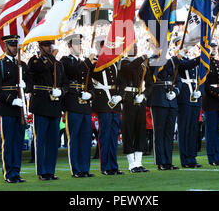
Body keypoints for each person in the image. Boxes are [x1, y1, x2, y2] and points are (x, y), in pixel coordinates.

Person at [0, 34, 30, 183]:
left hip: (20, 110)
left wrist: (25, 86)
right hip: (7, 108)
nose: (15, 48)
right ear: (6, 47)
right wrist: (11, 100)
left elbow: (30, 84)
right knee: (8, 142)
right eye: (12, 45)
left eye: (16, 45)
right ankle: (9, 173)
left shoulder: (22, 65)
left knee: (18, 142)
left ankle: (16, 172)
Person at [28, 39, 68, 181]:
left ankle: (50, 170)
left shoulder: (59, 65)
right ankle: (42, 171)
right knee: (41, 139)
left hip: (54, 105)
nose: (49, 47)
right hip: (41, 104)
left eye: (50, 45)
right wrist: (52, 56)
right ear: (39, 46)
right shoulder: (34, 61)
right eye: (46, 45)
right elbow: (41, 68)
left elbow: (65, 84)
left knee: (53, 140)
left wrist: (61, 92)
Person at [60, 33, 96, 178]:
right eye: (76, 44)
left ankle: (85, 168)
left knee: (86, 138)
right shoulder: (64, 61)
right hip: (73, 103)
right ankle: (76, 169)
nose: (79, 47)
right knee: (74, 138)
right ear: (69, 46)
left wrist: (91, 94)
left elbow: (90, 83)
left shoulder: (83, 63)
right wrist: (88, 62)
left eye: (80, 44)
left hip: (85, 105)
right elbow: (74, 71)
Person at [146, 44, 182, 171]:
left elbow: (178, 80)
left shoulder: (170, 62)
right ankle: (160, 161)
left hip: (171, 101)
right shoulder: (152, 60)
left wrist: (175, 92)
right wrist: (174, 59)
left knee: (169, 133)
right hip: (158, 99)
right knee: (159, 133)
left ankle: (168, 161)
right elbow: (157, 68)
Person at [90, 37, 123, 175]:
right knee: (104, 136)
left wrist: (120, 95)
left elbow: (120, 82)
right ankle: (105, 166)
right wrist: (91, 60)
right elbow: (90, 75)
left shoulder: (114, 63)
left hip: (114, 103)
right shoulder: (96, 63)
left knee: (114, 136)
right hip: (103, 102)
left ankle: (113, 166)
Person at [118, 43, 152, 173]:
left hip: (140, 99)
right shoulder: (123, 62)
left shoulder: (143, 65)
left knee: (140, 131)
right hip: (128, 99)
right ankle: (131, 164)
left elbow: (149, 84)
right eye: (133, 47)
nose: (136, 49)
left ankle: (138, 162)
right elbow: (131, 68)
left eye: (137, 46)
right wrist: (143, 57)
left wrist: (144, 95)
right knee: (128, 131)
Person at [173, 37, 202, 168]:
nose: (186, 48)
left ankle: (192, 157)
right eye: (182, 45)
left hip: (194, 96)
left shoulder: (191, 60)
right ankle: (185, 159)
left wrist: (199, 90)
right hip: (184, 96)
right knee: (184, 128)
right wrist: (202, 56)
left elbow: (198, 76)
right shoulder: (176, 60)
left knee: (193, 128)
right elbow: (186, 65)